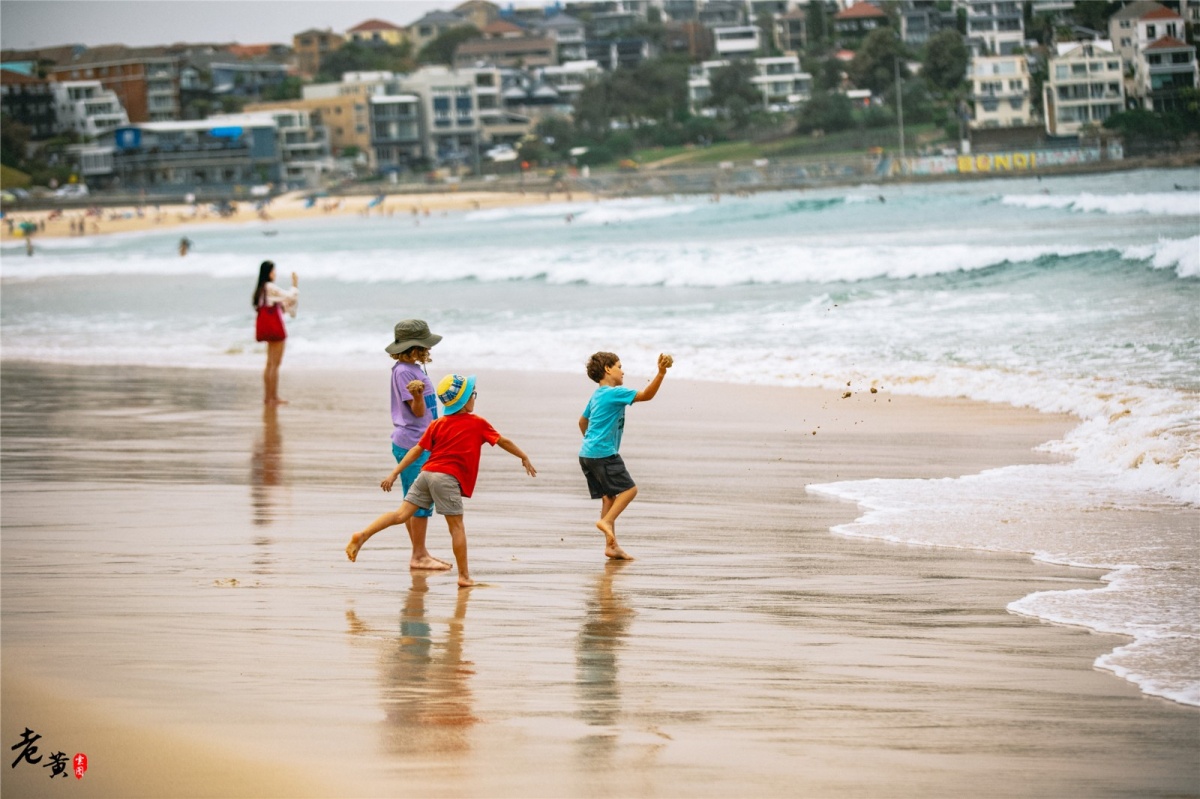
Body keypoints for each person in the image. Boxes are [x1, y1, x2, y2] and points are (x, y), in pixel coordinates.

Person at [346, 374, 537, 587]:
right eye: (473, 394)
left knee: (400, 515)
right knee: (456, 527)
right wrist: (523, 456)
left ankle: (363, 534)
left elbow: (417, 450)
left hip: (426, 474)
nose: (475, 398)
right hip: (446, 478)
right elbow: (503, 441)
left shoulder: (438, 424)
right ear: (465, 401)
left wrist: (394, 473)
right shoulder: (478, 423)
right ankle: (464, 577)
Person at [578, 352, 673, 560]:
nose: (623, 371)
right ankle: (606, 522)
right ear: (608, 369)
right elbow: (646, 395)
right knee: (630, 490)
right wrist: (661, 373)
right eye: (619, 366)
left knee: (608, 497)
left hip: (586, 454)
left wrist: (591, 442)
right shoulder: (615, 392)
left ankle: (611, 546)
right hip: (603, 453)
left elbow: (582, 422)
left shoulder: (597, 394)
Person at [384, 319, 451, 571]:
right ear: (414, 348)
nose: (428, 350)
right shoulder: (404, 372)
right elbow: (417, 410)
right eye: (425, 346)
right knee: (419, 500)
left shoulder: (412, 369)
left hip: (420, 441)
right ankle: (419, 555)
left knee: (415, 499)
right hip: (413, 442)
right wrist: (418, 395)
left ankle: (420, 552)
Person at [252, 260, 298, 405]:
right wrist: (295, 285)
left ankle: (268, 396)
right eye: (273, 271)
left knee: (269, 364)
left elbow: (278, 304)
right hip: (275, 329)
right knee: (275, 365)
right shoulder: (270, 286)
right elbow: (290, 296)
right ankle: (273, 397)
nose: (275, 273)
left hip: (267, 329)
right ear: (269, 272)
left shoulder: (261, 289)